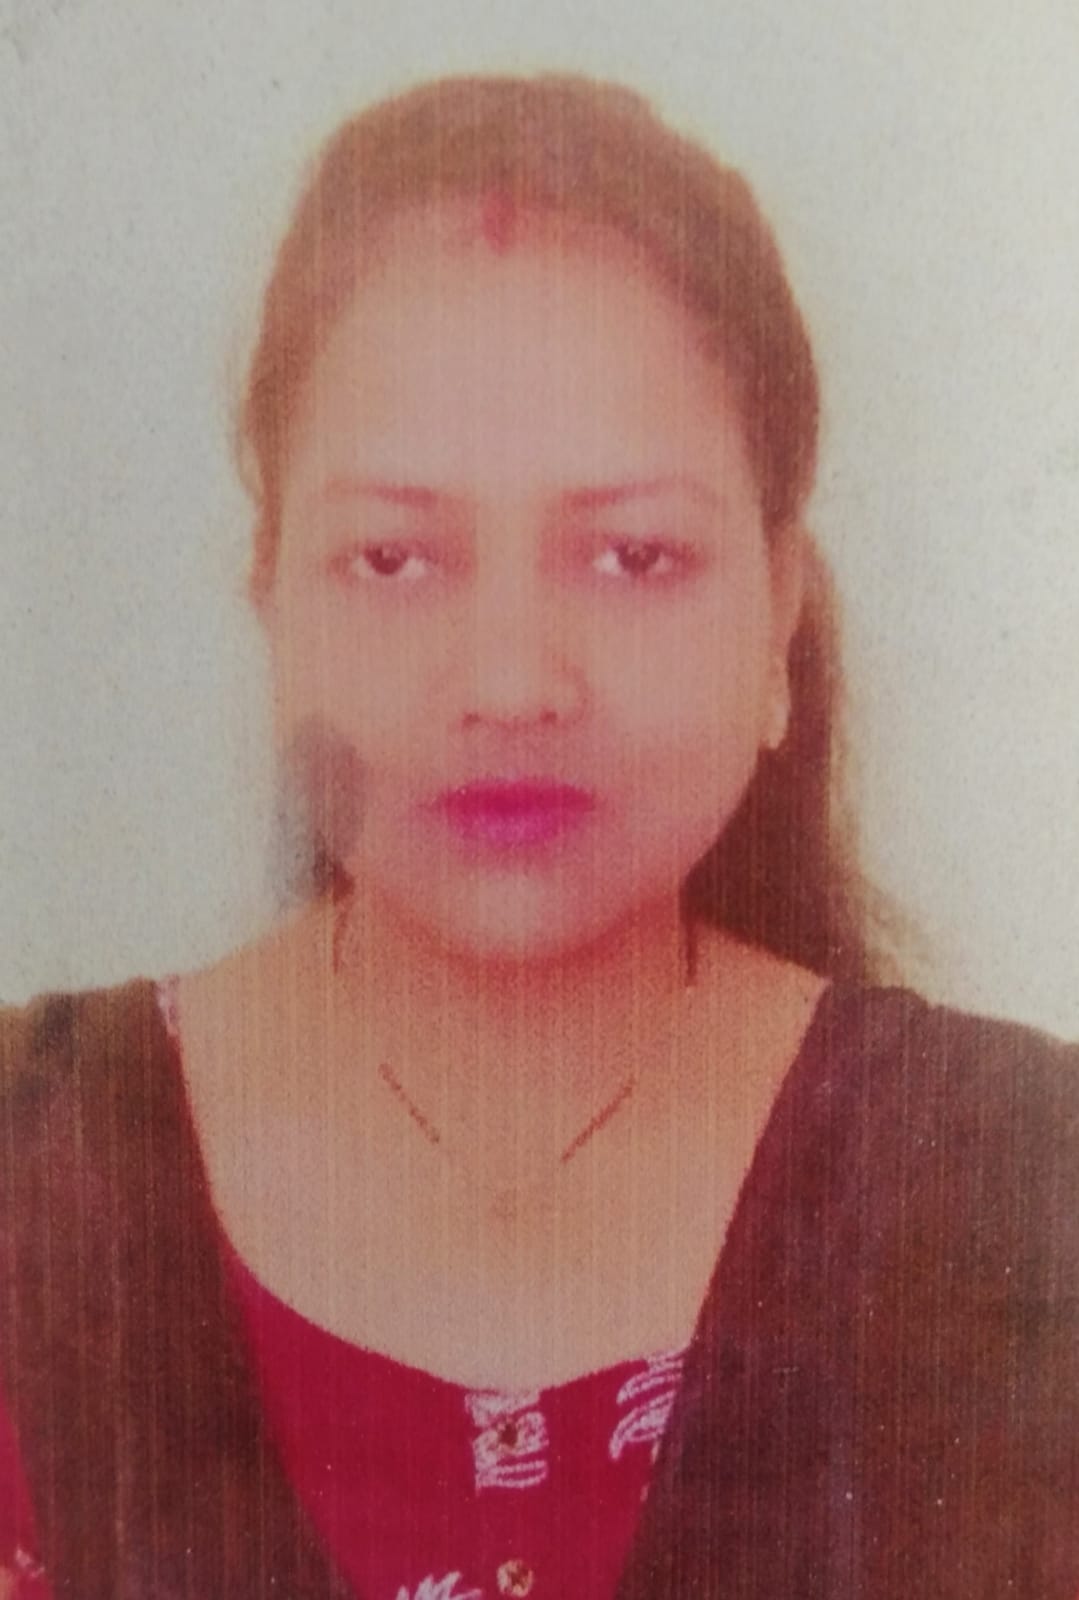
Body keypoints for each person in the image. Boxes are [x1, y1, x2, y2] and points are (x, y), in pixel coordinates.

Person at [1, 73, 1077, 1600]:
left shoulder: (1037, 1193)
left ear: (779, 618)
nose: (511, 683)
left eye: (633, 555)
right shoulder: (31, 1168)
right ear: (271, 600)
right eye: (394, 558)